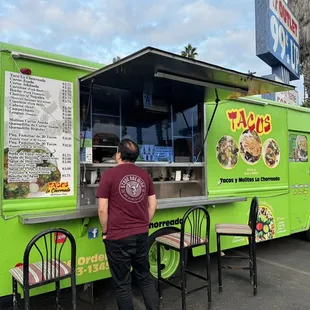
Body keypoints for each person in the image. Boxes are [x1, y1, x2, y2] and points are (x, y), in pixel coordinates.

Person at [96, 139, 159, 310]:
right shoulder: (145, 176)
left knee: (123, 284)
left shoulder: (109, 175)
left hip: (117, 238)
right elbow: (153, 205)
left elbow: (102, 209)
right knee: (145, 278)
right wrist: (144, 224)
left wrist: (105, 232)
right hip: (141, 236)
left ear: (118, 155)